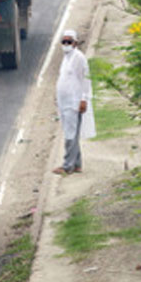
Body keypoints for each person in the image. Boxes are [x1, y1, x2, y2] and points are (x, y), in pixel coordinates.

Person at [53, 29, 94, 175]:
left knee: (70, 135)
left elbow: (85, 80)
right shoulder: (66, 57)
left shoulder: (79, 58)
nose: (66, 44)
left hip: (74, 102)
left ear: (75, 43)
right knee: (72, 133)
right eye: (63, 41)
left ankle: (67, 166)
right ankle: (77, 164)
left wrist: (83, 99)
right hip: (64, 102)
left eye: (69, 41)